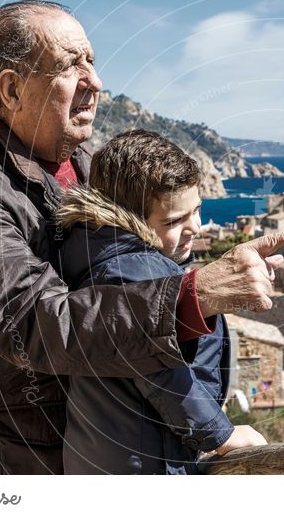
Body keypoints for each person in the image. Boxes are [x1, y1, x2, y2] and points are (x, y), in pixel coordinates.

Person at [0, 0, 284, 474]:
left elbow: (128, 273)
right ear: (12, 88)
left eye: (92, 62)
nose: (94, 82)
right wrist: (193, 294)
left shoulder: (83, 166)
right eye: (69, 65)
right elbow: (34, 323)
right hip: (20, 463)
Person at [57, 130, 265, 473]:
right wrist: (220, 435)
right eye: (174, 221)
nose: (195, 227)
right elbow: (161, 372)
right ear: (131, 218)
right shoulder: (131, 270)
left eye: (196, 210)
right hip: (144, 463)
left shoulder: (100, 254)